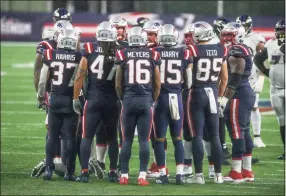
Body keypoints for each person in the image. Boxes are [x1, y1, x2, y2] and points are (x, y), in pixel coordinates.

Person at [73, 21, 120, 183]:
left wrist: (75, 97)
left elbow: (80, 75)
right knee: (113, 138)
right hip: (112, 100)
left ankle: (85, 172)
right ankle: (113, 172)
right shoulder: (119, 50)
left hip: (92, 99)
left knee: (87, 137)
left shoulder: (90, 48)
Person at [115, 26, 161, 186]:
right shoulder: (152, 54)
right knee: (144, 140)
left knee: (126, 140)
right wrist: (152, 100)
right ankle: (142, 176)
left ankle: (124, 176)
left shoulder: (122, 53)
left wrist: (123, 99)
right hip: (145, 100)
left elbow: (118, 84)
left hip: (128, 100)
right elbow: (157, 82)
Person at [184, 21, 227, 184]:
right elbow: (224, 78)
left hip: (196, 92)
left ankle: (199, 176)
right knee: (215, 135)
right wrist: (220, 97)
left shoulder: (192, 50)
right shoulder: (221, 49)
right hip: (213, 93)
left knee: (197, 135)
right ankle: (218, 175)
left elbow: (187, 77)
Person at [37, 28, 81, 181]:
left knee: (52, 136)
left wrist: (41, 96)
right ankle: (69, 172)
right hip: (70, 100)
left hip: (55, 99)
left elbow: (43, 78)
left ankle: (49, 170)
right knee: (70, 137)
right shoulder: (78, 56)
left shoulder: (51, 54)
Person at [152, 24, 192, 185]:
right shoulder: (184, 52)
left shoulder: (155, 52)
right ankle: (180, 174)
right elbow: (188, 81)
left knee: (159, 139)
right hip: (176, 97)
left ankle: (162, 174)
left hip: (160, 98)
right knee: (177, 138)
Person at [219, 22, 255, 183]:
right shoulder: (244, 47)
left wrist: (224, 98)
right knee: (245, 130)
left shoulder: (236, 50)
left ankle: (236, 172)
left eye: (230, 35)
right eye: (225, 34)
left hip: (237, 93)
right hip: (245, 91)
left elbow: (235, 76)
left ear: (238, 35)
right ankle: (246, 170)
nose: (226, 38)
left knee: (236, 131)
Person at [254, 19, 285, 160]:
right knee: (282, 120)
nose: (281, 33)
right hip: (275, 88)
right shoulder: (271, 44)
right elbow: (258, 58)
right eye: (279, 30)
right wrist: (267, 73)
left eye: (283, 30)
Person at [236, 14, 266, 148]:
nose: (243, 28)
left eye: (245, 26)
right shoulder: (234, 36)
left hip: (251, 75)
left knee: (254, 107)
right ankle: (238, 136)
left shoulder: (256, 39)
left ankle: (257, 137)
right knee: (235, 109)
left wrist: (261, 77)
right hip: (237, 75)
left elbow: (263, 60)